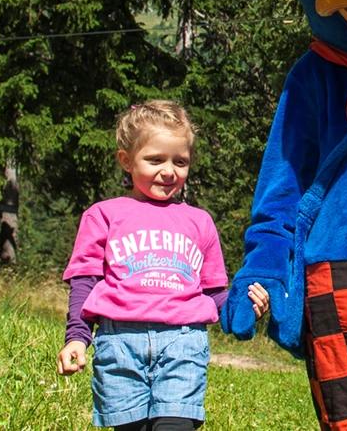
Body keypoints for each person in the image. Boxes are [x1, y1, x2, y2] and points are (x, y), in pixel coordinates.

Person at [57, 100, 270, 431]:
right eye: (155, 159)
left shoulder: (199, 222)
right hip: (118, 345)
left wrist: (242, 308)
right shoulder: (103, 215)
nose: (169, 171)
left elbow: (214, 293)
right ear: (126, 161)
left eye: (180, 161)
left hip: (183, 344)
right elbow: (84, 282)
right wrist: (77, 337)